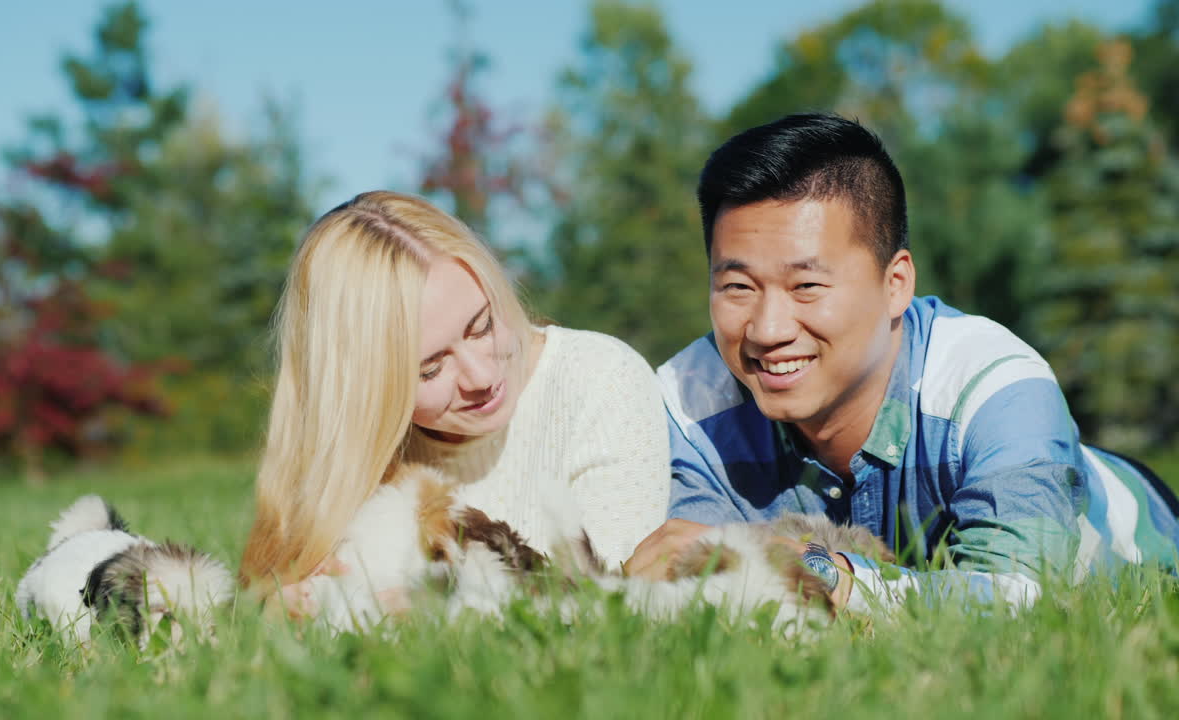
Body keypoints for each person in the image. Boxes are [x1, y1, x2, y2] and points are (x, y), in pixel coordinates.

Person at [625, 113, 1179, 613]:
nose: (768, 330)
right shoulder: (687, 401)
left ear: (896, 285)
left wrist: (811, 567)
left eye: (807, 285)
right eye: (738, 286)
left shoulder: (995, 386)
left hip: (1145, 531)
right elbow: (697, 596)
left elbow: (1017, 600)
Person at [239, 191, 669, 608]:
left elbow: (616, 599)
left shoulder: (600, 380)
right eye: (429, 368)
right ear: (364, 391)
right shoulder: (352, 464)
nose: (482, 377)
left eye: (482, 326)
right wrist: (286, 605)